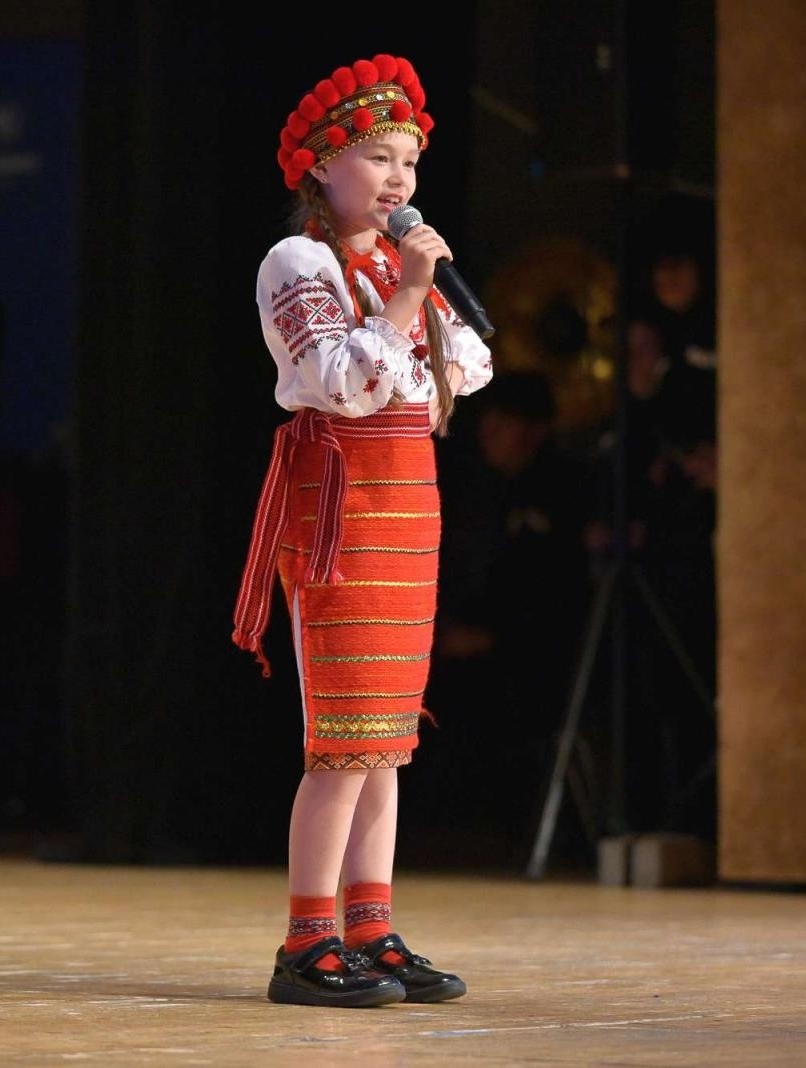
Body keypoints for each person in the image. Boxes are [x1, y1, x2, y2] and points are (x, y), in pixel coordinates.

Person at [232, 54, 492, 1008]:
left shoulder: (394, 263)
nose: (398, 180)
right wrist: (410, 297)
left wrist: (421, 292)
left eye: (410, 164)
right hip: (340, 517)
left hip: (406, 514)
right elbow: (338, 383)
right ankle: (307, 942)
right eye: (378, 157)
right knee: (340, 741)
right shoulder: (298, 262)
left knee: (385, 741)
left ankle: (372, 929)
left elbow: (463, 368)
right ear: (322, 166)